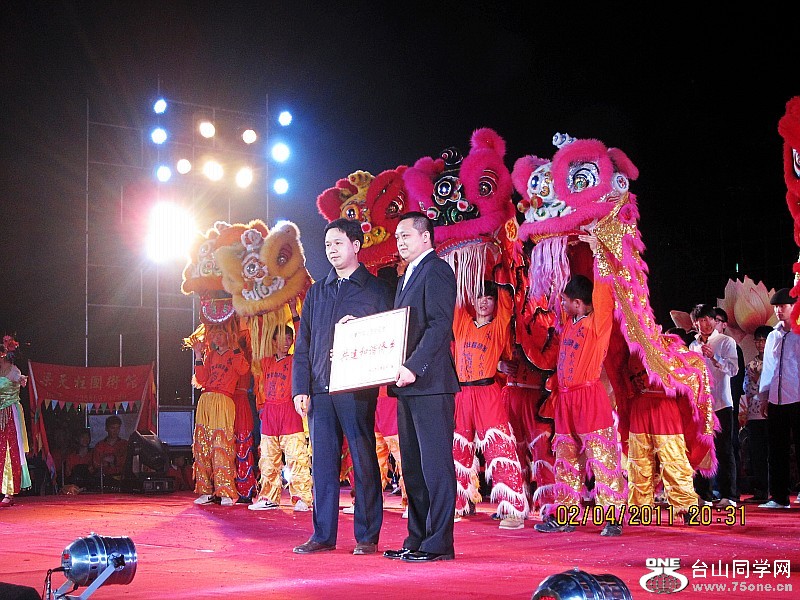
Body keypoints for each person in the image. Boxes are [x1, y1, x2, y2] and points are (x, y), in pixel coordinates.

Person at [292, 217, 392, 556]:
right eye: (327, 245)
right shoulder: (317, 291)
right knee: (322, 464)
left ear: (355, 246)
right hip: (320, 388)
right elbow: (303, 344)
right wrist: (300, 388)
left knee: (363, 460)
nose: (331, 250)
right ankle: (322, 535)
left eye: (338, 243)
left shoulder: (376, 289)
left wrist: (360, 330)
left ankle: (367, 535)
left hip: (356, 388)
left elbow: (388, 334)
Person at [534, 232, 628, 537]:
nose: (561, 304)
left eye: (565, 300)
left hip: (589, 396)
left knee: (601, 457)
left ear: (578, 303)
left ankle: (613, 517)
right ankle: (566, 516)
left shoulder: (597, 323)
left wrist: (599, 252)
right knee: (565, 459)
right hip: (566, 400)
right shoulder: (569, 324)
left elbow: (603, 293)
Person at [383, 211, 459, 563]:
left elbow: (440, 325)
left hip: (430, 383)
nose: (400, 241)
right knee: (412, 466)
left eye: (406, 235)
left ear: (425, 237)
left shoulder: (437, 270)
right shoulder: (405, 277)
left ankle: (439, 542)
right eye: (397, 236)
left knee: (435, 466)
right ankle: (417, 538)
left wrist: (414, 366)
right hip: (407, 385)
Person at [451, 282, 529, 529]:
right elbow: (457, 295)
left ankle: (513, 510)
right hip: (462, 393)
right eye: (479, 297)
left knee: (499, 448)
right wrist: (465, 270)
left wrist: (499, 276)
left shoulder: (498, 327)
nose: (484, 302)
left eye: (489, 298)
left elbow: (506, 305)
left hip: (487, 392)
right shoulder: (462, 323)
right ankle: (457, 504)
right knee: (458, 449)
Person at [250, 320, 313, 512]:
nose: (286, 342)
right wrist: (259, 316)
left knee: (296, 457)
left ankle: (302, 497)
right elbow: (258, 337)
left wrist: (294, 314)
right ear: (273, 341)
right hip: (270, 412)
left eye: (289, 338)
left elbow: (304, 338)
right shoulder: (266, 362)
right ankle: (268, 497)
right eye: (282, 338)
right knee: (268, 458)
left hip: (289, 410)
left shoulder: (295, 361)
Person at [191, 323, 251, 506]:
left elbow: (243, 369)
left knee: (221, 444)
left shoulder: (235, 353)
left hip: (224, 399)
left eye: (220, 334)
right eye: (214, 334)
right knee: (202, 445)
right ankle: (205, 490)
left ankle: (225, 491)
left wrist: (235, 346)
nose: (216, 338)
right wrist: (198, 355)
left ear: (229, 335)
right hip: (206, 399)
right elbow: (201, 379)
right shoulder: (211, 355)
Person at [689, 303, 739, 508]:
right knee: (703, 450)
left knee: (724, 449)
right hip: (701, 406)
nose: (706, 323)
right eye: (701, 320)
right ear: (695, 323)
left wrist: (714, 357)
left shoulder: (726, 342)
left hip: (721, 404)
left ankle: (730, 495)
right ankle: (704, 495)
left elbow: (734, 370)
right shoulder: (693, 346)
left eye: (709, 319)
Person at [758, 288, 800, 509]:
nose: (778, 310)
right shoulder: (773, 335)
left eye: (783, 306)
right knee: (777, 449)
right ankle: (779, 497)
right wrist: (765, 396)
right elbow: (769, 368)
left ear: (794, 307)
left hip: (798, 397)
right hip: (777, 398)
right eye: (776, 307)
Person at [739, 324, 772, 503]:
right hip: (753, 414)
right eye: (757, 340)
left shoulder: (774, 362)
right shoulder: (751, 364)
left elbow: (769, 387)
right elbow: (747, 389)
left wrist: (758, 380)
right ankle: (760, 491)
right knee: (757, 453)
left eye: (763, 340)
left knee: (772, 453)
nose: (760, 344)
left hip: (770, 413)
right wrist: (755, 382)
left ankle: (775, 490)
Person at [714, 307, 746, 477]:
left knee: (729, 444)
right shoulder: (701, 345)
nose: (712, 324)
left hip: (727, 404)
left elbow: (736, 378)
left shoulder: (731, 345)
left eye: (716, 320)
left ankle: (733, 485)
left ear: (724, 324)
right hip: (710, 404)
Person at [0, 335, 31, 506]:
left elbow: (20, 379)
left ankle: (9, 491)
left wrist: (21, 379)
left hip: (10, 413)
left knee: (9, 450)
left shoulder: (14, 371)